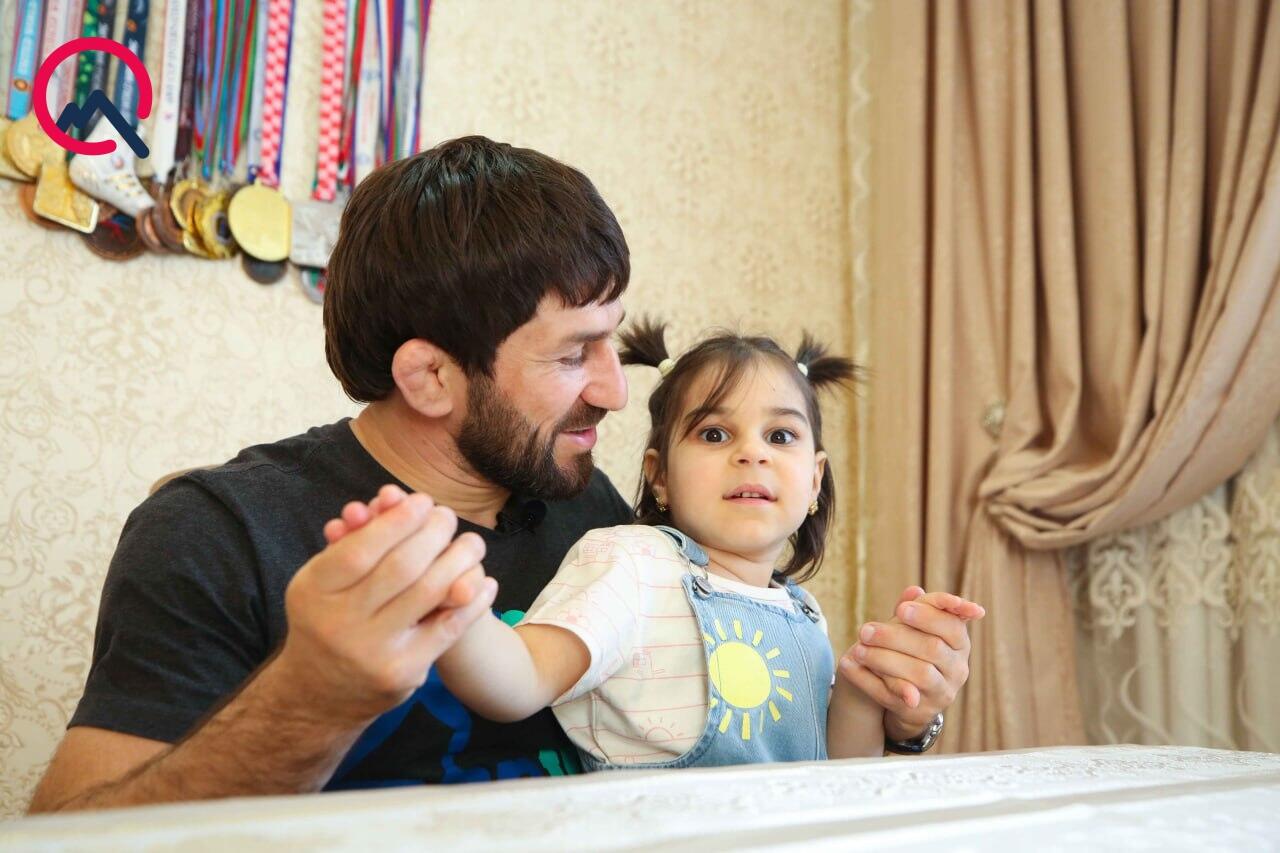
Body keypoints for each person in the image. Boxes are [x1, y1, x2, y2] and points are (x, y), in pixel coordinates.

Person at [28, 136, 976, 813]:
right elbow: (69, 838)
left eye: (612, 341)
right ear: (430, 377)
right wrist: (309, 696)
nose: (615, 390)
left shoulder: (593, 509)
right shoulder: (220, 530)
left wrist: (899, 716)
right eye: (572, 354)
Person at [329, 321, 985, 767]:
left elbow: (837, 778)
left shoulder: (801, 613)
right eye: (714, 435)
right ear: (660, 476)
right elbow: (520, 679)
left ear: (814, 481)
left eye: (780, 436)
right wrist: (452, 600)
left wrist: (872, 693)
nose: (752, 453)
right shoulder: (632, 564)